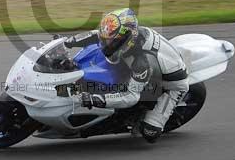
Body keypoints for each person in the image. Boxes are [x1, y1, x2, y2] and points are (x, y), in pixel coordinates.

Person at [64, 8, 189, 143]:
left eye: (111, 42)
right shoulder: (124, 37)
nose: (106, 45)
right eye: (106, 40)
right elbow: (98, 34)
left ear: (126, 40)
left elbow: (131, 96)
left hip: (172, 84)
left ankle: (146, 117)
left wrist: (97, 99)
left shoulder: (142, 62)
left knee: (150, 133)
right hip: (150, 67)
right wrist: (69, 41)